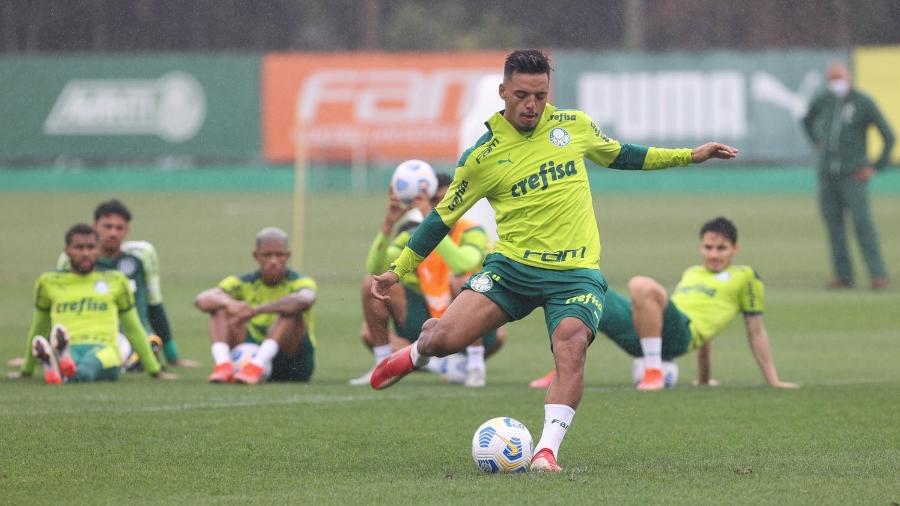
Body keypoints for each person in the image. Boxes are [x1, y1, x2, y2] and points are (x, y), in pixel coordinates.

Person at [368, 49, 738, 473]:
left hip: (575, 273)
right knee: (445, 341)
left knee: (572, 343)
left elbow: (624, 154)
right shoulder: (481, 157)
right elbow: (440, 218)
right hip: (511, 270)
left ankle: (546, 451)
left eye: (540, 95)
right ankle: (415, 353)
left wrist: (689, 155)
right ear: (502, 91)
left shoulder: (572, 126)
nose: (531, 105)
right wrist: (398, 271)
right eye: (522, 95)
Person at [529, 217, 798, 391]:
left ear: (735, 249)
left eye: (721, 248)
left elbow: (755, 330)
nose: (713, 254)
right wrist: (704, 379)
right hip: (649, 332)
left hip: (680, 336)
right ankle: (562, 372)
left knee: (640, 285)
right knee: (580, 287)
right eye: (708, 247)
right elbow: (709, 332)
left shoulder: (746, 277)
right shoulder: (693, 272)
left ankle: (654, 372)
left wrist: (773, 381)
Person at [350, 171, 503, 388]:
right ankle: (386, 366)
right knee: (370, 289)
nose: (438, 205)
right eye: (433, 201)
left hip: (466, 321)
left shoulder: (471, 230)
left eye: (443, 199)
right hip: (423, 316)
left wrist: (432, 224)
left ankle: (474, 366)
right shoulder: (412, 232)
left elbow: (463, 265)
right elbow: (375, 268)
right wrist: (388, 224)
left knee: (462, 280)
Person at [14, 224, 173, 383]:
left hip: (104, 349)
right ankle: (61, 363)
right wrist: (26, 370)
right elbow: (39, 327)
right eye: (78, 247)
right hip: (71, 346)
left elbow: (133, 328)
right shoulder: (49, 282)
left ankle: (57, 368)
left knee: (87, 369)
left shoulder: (116, 280)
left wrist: (155, 370)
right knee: (74, 366)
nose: (85, 253)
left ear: (98, 250)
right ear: (67, 250)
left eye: (91, 247)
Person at [56, 199, 198, 368]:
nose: (113, 233)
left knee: (151, 342)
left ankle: (136, 356)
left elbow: (155, 303)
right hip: (95, 334)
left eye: (119, 228)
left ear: (127, 229)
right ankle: (130, 360)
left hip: (138, 333)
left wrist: (173, 356)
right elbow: (58, 306)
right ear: (94, 226)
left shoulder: (142, 254)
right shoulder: (72, 258)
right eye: (107, 226)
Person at [802, 61, 895, 290]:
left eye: (839, 78)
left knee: (863, 224)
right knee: (834, 225)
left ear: (849, 78)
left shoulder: (863, 102)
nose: (836, 84)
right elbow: (806, 120)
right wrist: (817, 141)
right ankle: (843, 275)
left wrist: (876, 166)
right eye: (831, 79)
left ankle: (878, 274)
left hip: (853, 174)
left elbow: (889, 136)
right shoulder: (824, 100)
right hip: (827, 175)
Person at [195, 227, 317, 385]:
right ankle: (223, 365)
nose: (273, 261)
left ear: (287, 256)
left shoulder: (300, 281)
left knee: (292, 311)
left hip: (292, 363)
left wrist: (255, 310)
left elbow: (304, 300)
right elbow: (202, 299)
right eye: (267, 255)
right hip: (252, 349)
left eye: (279, 255)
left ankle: (257, 366)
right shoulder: (244, 282)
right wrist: (231, 304)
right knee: (218, 307)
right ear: (256, 256)